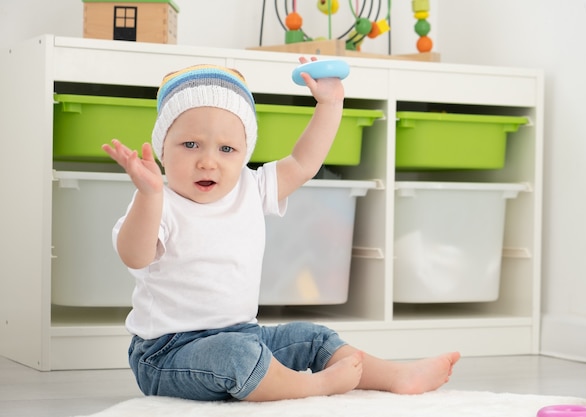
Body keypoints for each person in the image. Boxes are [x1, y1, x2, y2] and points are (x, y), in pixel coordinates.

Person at [102, 59, 460, 403]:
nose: (207, 160)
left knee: (311, 337)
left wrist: (331, 104)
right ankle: (314, 387)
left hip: (243, 332)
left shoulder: (251, 187)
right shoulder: (157, 201)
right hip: (166, 353)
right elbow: (135, 254)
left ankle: (396, 377)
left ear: (244, 154)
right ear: (163, 147)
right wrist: (149, 195)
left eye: (227, 149)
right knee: (238, 356)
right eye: (190, 144)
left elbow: (304, 163)